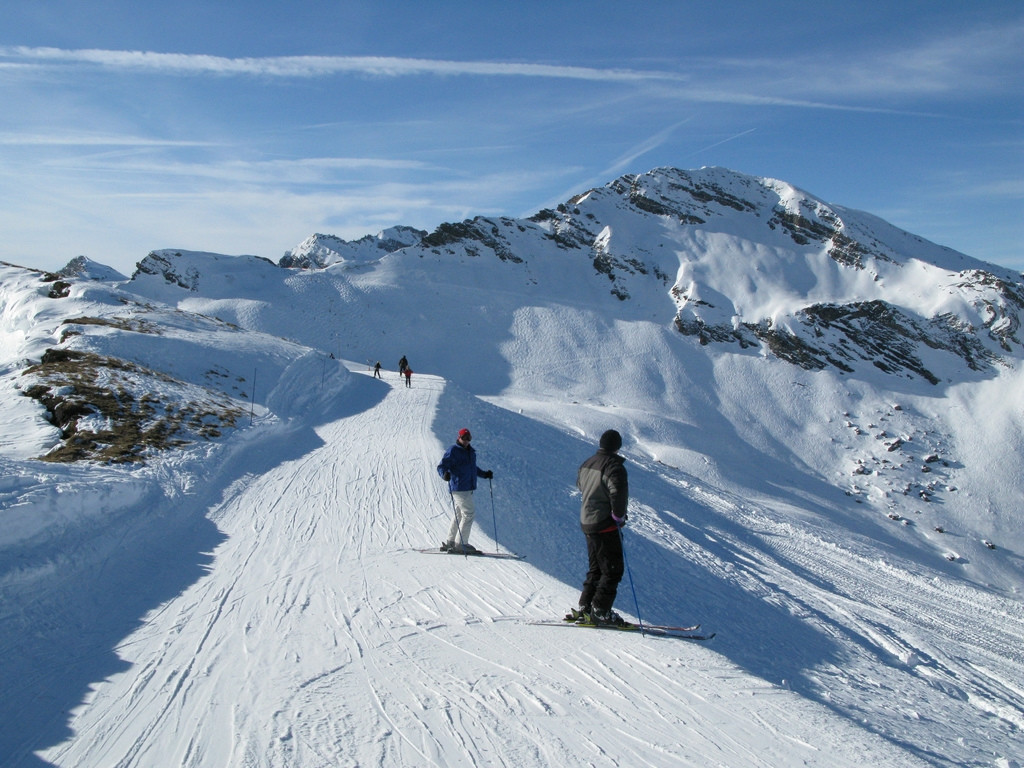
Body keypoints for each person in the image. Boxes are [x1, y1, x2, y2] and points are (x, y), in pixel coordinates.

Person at [572, 429, 628, 625]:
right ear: (617, 446)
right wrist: (618, 516)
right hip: (604, 523)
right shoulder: (613, 466)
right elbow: (618, 492)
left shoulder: (588, 463)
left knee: (596, 567)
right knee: (612, 569)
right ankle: (601, 610)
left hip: (586, 521)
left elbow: (580, 484)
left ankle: (585, 606)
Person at [437, 428, 493, 554]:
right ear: (459, 437)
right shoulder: (454, 450)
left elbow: (472, 468)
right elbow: (442, 466)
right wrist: (444, 474)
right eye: (464, 438)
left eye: (469, 438)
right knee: (469, 513)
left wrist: (485, 474)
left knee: (459, 514)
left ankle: (450, 542)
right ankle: (461, 544)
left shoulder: (470, 452)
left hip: (467, 488)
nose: (467, 441)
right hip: (459, 487)